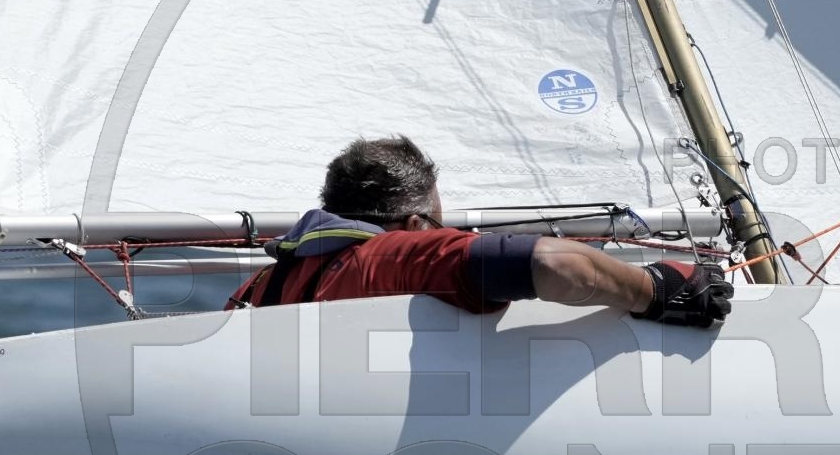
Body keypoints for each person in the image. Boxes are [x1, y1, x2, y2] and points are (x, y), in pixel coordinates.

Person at [227, 136, 733, 328]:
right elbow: (553, 264)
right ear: (415, 226)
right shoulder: (399, 255)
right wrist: (658, 289)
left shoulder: (260, 287)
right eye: (437, 225)